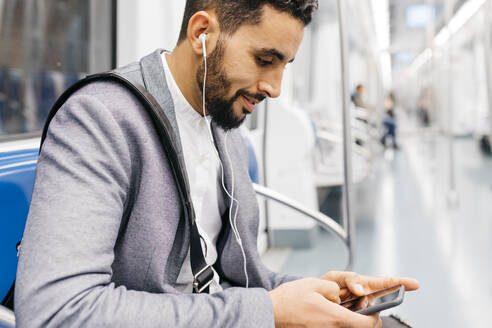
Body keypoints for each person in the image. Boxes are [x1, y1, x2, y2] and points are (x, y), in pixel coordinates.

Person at [15, 1, 419, 327]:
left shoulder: (224, 127)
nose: (274, 88)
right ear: (201, 33)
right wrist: (269, 313)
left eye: (284, 67)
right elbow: (56, 312)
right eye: (265, 59)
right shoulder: (99, 119)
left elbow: (232, 279)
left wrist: (315, 296)